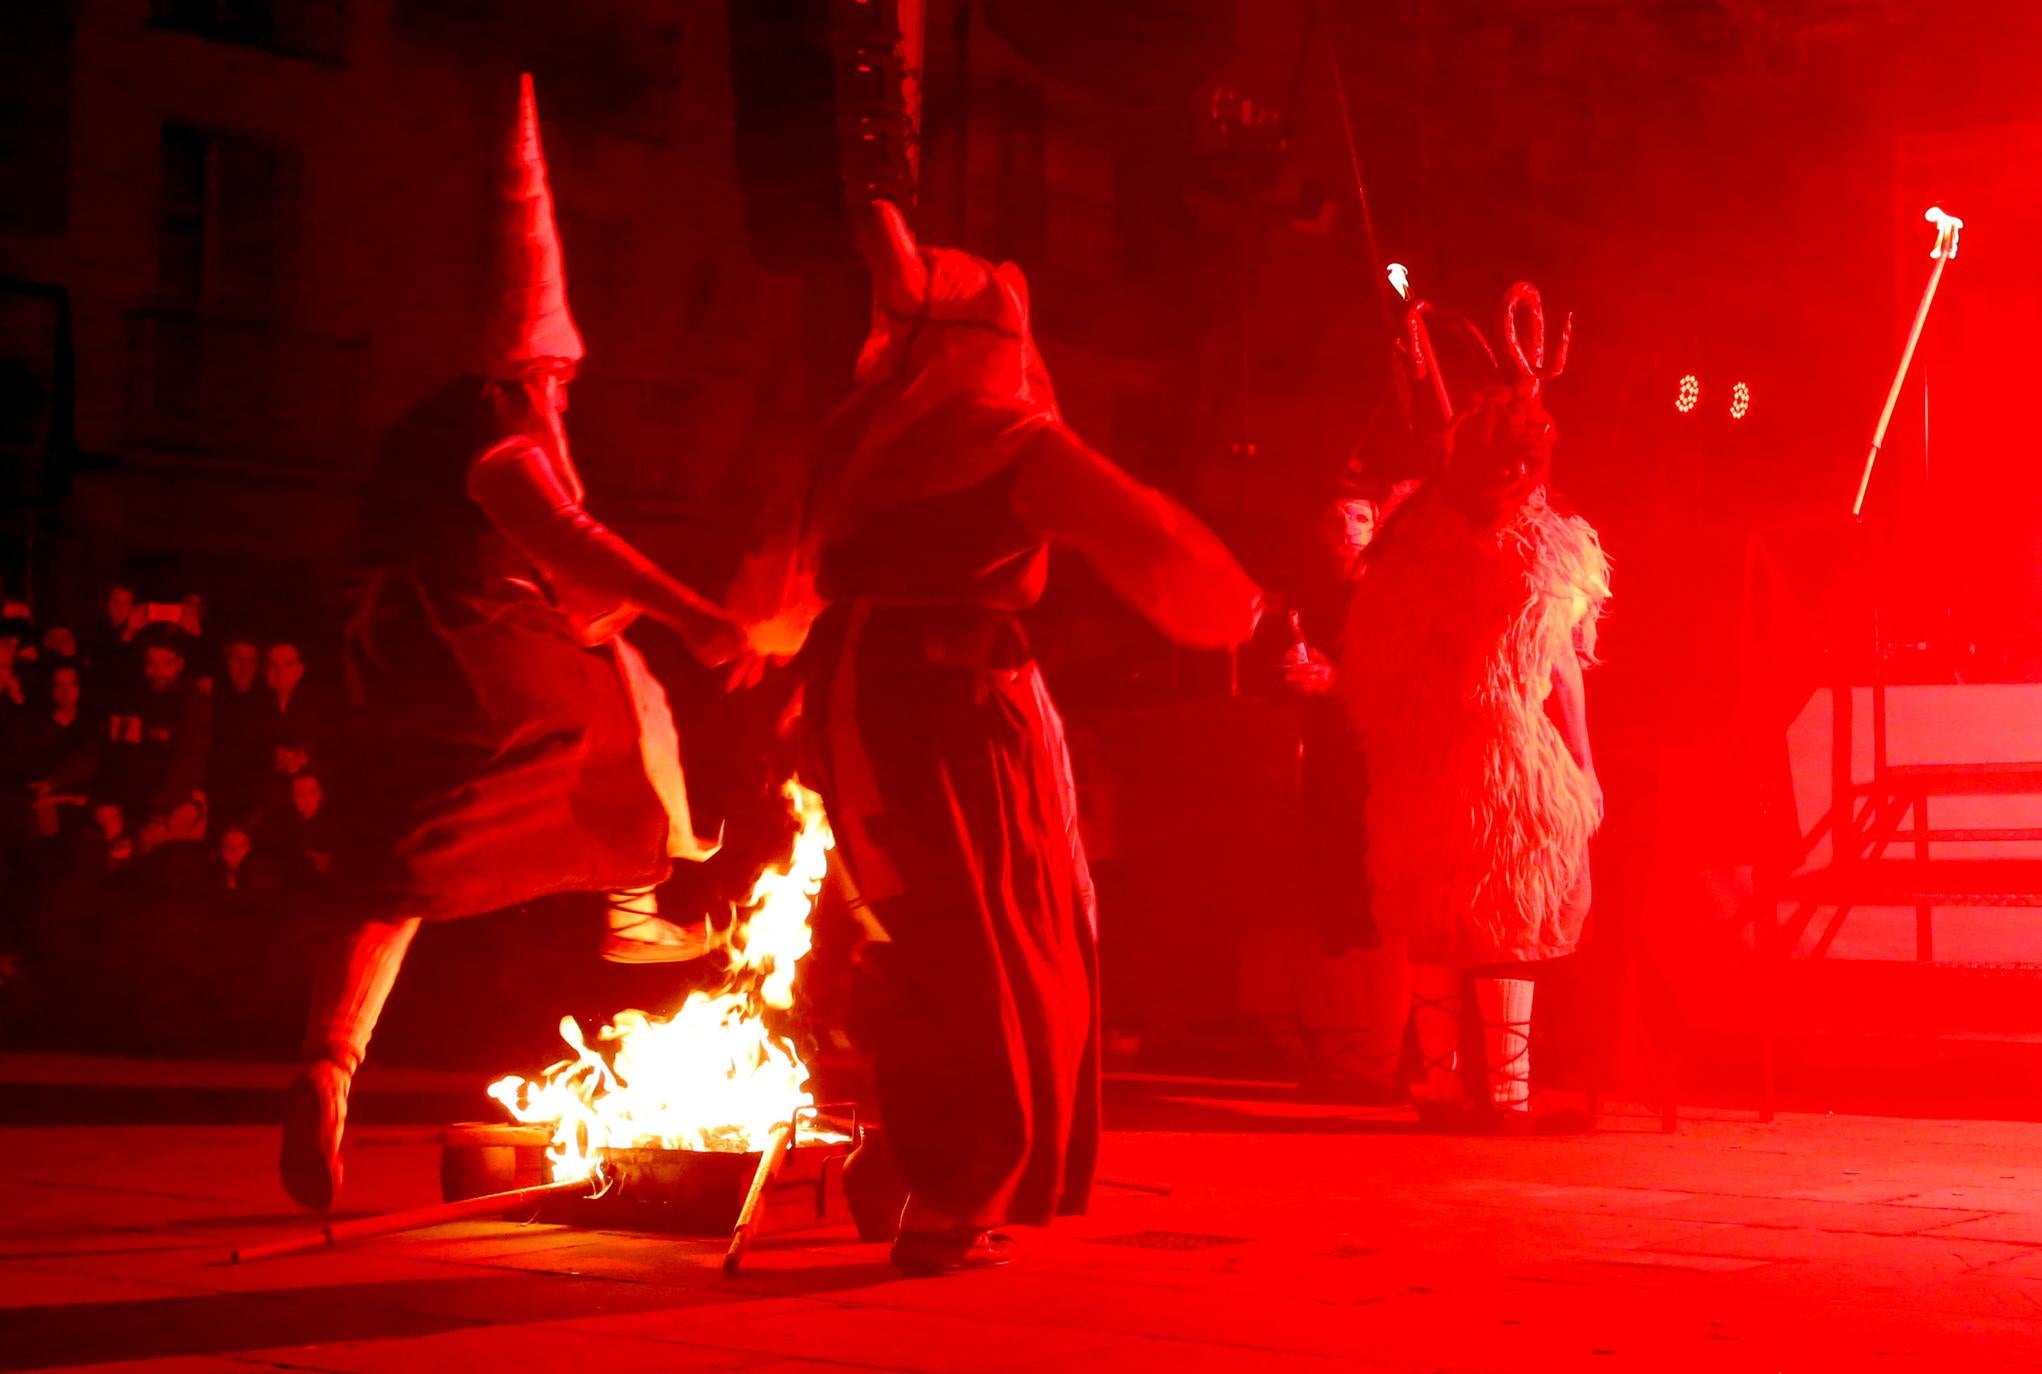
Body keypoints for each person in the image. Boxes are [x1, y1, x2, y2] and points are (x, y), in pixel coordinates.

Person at [761, 202, 1262, 1273]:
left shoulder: (854, 436)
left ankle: (905, 1162)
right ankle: (950, 1188)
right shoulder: (1005, 438)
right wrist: (1233, 603)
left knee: (921, 936)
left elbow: (777, 590)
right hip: (953, 717)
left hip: (861, 705)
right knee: (991, 944)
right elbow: (1151, 543)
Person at [279, 74, 744, 1211]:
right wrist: (697, 614)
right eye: (561, 378)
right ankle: (635, 905)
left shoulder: (423, 424)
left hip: (385, 665)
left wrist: (632, 612)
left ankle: (328, 1062)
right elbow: (564, 536)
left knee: (400, 869)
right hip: (467, 654)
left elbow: (550, 569)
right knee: (619, 700)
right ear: (527, 366)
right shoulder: (498, 427)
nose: (568, 394)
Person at [1342, 383, 1608, 1132]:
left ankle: (1496, 1092)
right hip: (1439, 752)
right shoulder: (1420, 543)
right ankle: (1452, 1090)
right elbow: (1376, 655)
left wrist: (1583, 763)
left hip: (1501, 753)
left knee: (1501, 913)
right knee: (1444, 914)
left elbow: (1559, 660)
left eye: (1521, 465)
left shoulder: (1541, 547)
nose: (1511, 478)